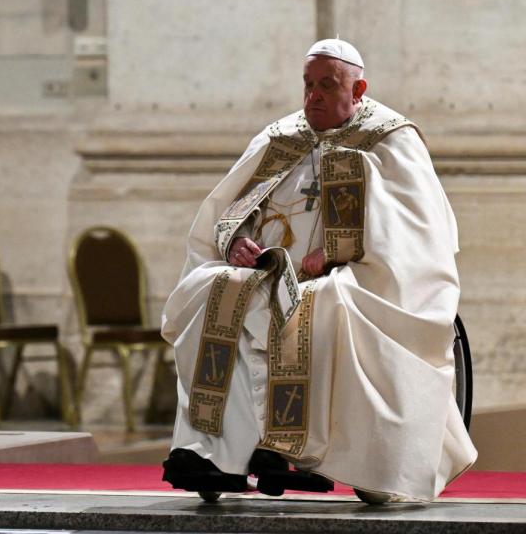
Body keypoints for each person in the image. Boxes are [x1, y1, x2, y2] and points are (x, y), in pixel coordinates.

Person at [160, 39, 476, 502]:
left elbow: (417, 233)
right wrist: (238, 242)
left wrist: (337, 252)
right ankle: (210, 454)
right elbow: (229, 209)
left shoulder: (390, 139)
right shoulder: (282, 137)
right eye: (308, 85)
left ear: (358, 88)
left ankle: (288, 450)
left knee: (313, 304)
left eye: (327, 86)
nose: (313, 97)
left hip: (356, 278)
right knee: (212, 289)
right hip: (265, 273)